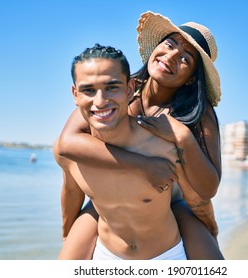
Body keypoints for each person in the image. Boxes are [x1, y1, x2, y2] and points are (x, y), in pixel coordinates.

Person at [57, 11, 224, 260]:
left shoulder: (197, 114)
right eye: (169, 45)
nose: (171, 57)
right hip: (113, 197)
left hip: (174, 201)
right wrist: (143, 166)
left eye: (185, 59)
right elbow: (67, 143)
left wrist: (182, 136)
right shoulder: (122, 89)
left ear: (191, 79)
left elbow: (209, 186)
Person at [54, 43, 188, 259]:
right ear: (75, 94)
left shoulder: (162, 147)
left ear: (129, 89)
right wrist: (66, 238)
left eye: (112, 87)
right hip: (106, 255)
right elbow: (71, 193)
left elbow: (195, 198)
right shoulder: (70, 154)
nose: (100, 101)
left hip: (166, 256)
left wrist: (208, 229)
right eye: (88, 90)